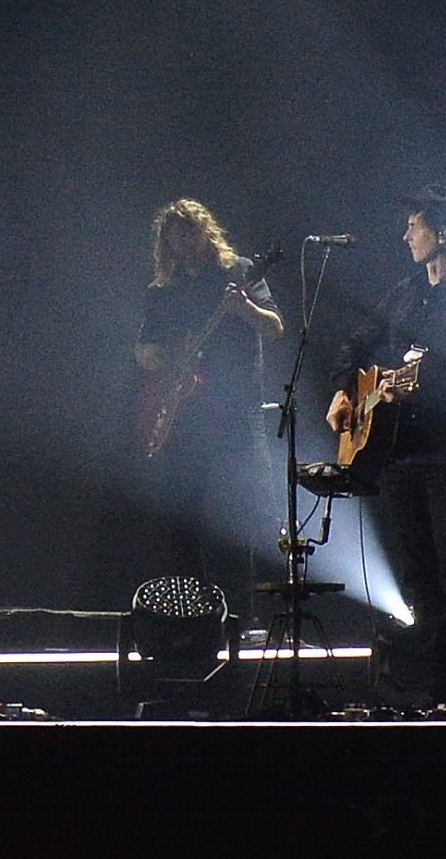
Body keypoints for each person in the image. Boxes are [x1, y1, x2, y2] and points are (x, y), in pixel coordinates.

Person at [326, 187, 446, 710]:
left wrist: (417, 389)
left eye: (414, 226)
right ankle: (437, 684)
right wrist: (343, 389)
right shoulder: (402, 294)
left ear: (442, 232)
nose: (405, 236)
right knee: (417, 573)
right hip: (398, 453)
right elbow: (353, 344)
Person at [135, 198, 282, 620]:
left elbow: (275, 327)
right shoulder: (163, 289)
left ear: (205, 231)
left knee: (240, 512)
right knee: (185, 517)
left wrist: (244, 308)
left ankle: (242, 616)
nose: (182, 242)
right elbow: (143, 350)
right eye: (173, 236)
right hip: (185, 415)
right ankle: (191, 616)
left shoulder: (239, 272)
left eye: (189, 231)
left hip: (236, 411)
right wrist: (165, 359)